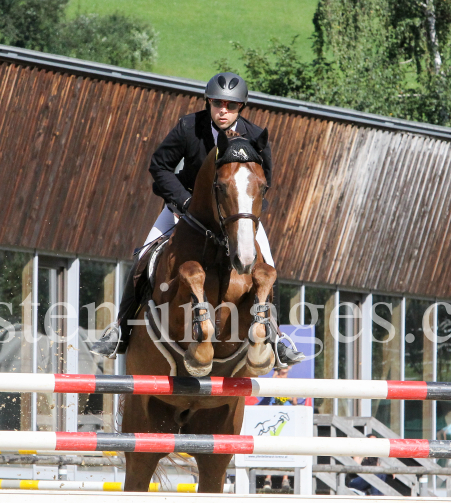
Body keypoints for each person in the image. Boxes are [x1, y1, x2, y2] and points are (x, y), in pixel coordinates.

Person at [90, 72, 301, 366]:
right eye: (217, 103)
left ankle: (274, 338)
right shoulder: (189, 127)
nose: (223, 110)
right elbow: (159, 166)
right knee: (143, 257)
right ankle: (121, 329)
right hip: (188, 210)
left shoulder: (254, 136)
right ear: (208, 102)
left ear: (241, 106)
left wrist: (244, 214)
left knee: (267, 269)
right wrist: (183, 201)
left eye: (231, 105)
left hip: (234, 213)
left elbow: (265, 180)